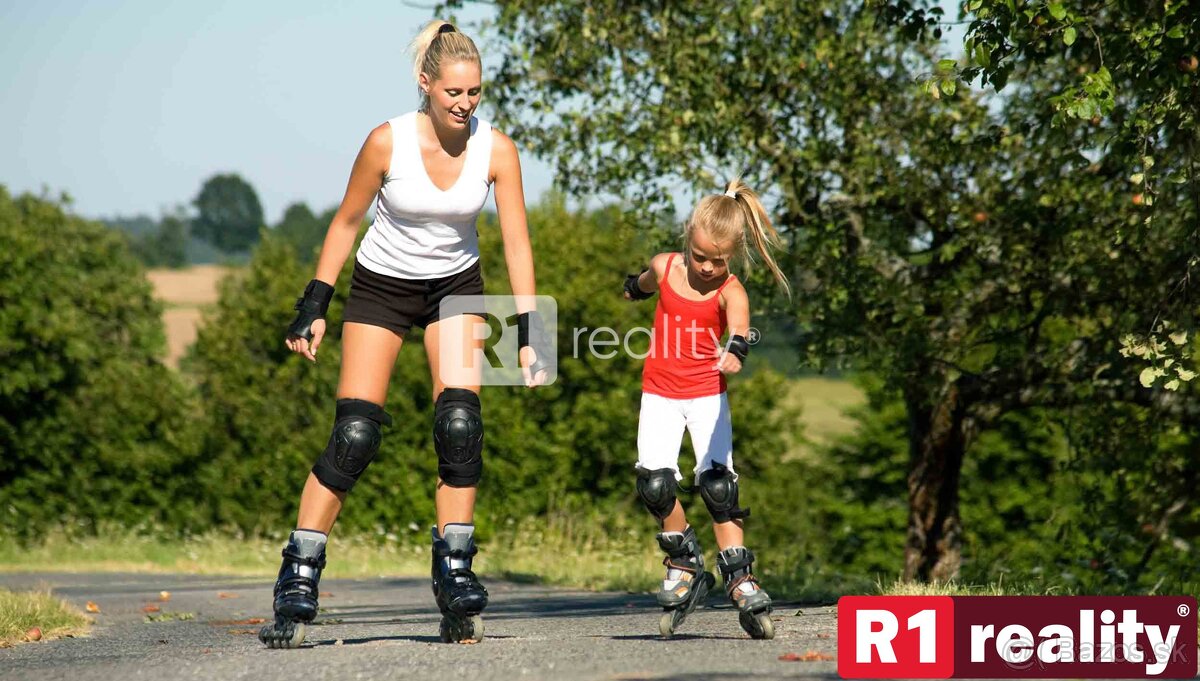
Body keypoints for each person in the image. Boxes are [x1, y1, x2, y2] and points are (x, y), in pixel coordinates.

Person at [259, 19, 549, 648]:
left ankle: (455, 569)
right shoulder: (386, 142)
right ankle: (299, 571)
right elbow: (345, 223)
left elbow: (518, 244)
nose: (466, 105)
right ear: (426, 83)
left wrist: (532, 333)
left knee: (460, 424)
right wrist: (314, 306)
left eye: (475, 94)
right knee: (355, 433)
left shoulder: (496, 150)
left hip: (457, 288)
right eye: (454, 94)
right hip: (381, 286)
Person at [623, 178, 789, 639]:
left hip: (705, 396)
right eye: (701, 257)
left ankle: (739, 576)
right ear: (687, 237)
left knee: (719, 486)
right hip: (658, 392)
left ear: (732, 254)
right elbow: (641, 282)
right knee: (655, 485)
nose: (710, 266)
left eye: (720, 259)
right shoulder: (665, 266)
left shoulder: (730, 290)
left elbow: (739, 326)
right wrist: (633, 290)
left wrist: (735, 351)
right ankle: (684, 561)